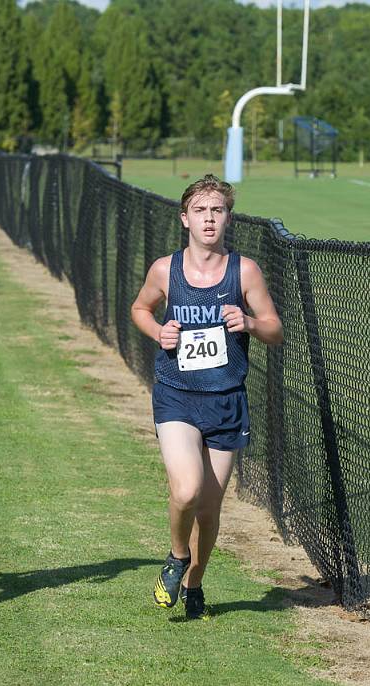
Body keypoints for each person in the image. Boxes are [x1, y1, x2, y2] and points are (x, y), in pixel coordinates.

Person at [129, 175, 283, 619]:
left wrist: (250, 323)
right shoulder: (166, 269)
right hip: (176, 395)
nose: (209, 219)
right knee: (187, 489)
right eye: (201, 211)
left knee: (210, 511)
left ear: (228, 217)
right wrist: (159, 331)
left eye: (217, 210)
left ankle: (194, 585)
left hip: (226, 400)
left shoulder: (244, 271)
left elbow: (275, 329)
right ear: (185, 219)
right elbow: (140, 308)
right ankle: (177, 558)